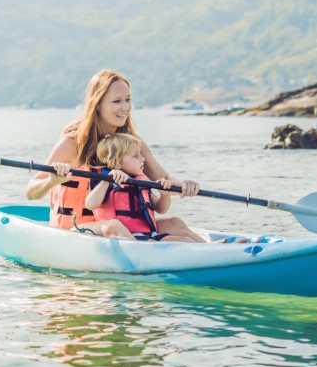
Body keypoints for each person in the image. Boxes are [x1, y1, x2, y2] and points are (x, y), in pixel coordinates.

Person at [24, 69, 205, 241]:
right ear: (97, 105)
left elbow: (164, 180)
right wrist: (52, 181)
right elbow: (31, 192)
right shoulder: (72, 144)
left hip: (122, 228)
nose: (125, 107)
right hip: (75, 230)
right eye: (116, 101)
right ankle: (147, 257)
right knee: (113, 226)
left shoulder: (132, 144)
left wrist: (183, 185)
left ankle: (219, 248)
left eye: (127, 99)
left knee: (176, 224)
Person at [85, 133, 206, 242]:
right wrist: (107, 181)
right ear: (116, 163)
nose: (142, 159)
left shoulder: (140, 181)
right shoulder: (104, 180)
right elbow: (90, 204)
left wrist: (164, 195)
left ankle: (208, 246)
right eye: (135, 156)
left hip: (147, 234)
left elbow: (161, 209)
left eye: (141, 154)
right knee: (114, 224)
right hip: (124, 237)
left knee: (182, 234)